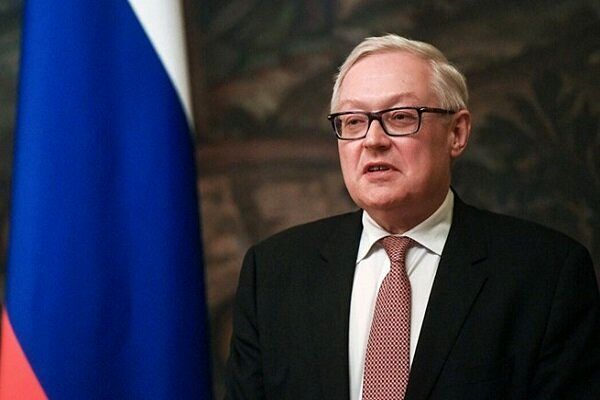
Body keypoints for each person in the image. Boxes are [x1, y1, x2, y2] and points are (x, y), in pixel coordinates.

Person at [224, 34, 600, 399]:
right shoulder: (273, 272)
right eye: (353, 121)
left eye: (401, 117)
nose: (373, 140)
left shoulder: (547, 274)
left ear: (457, 133)